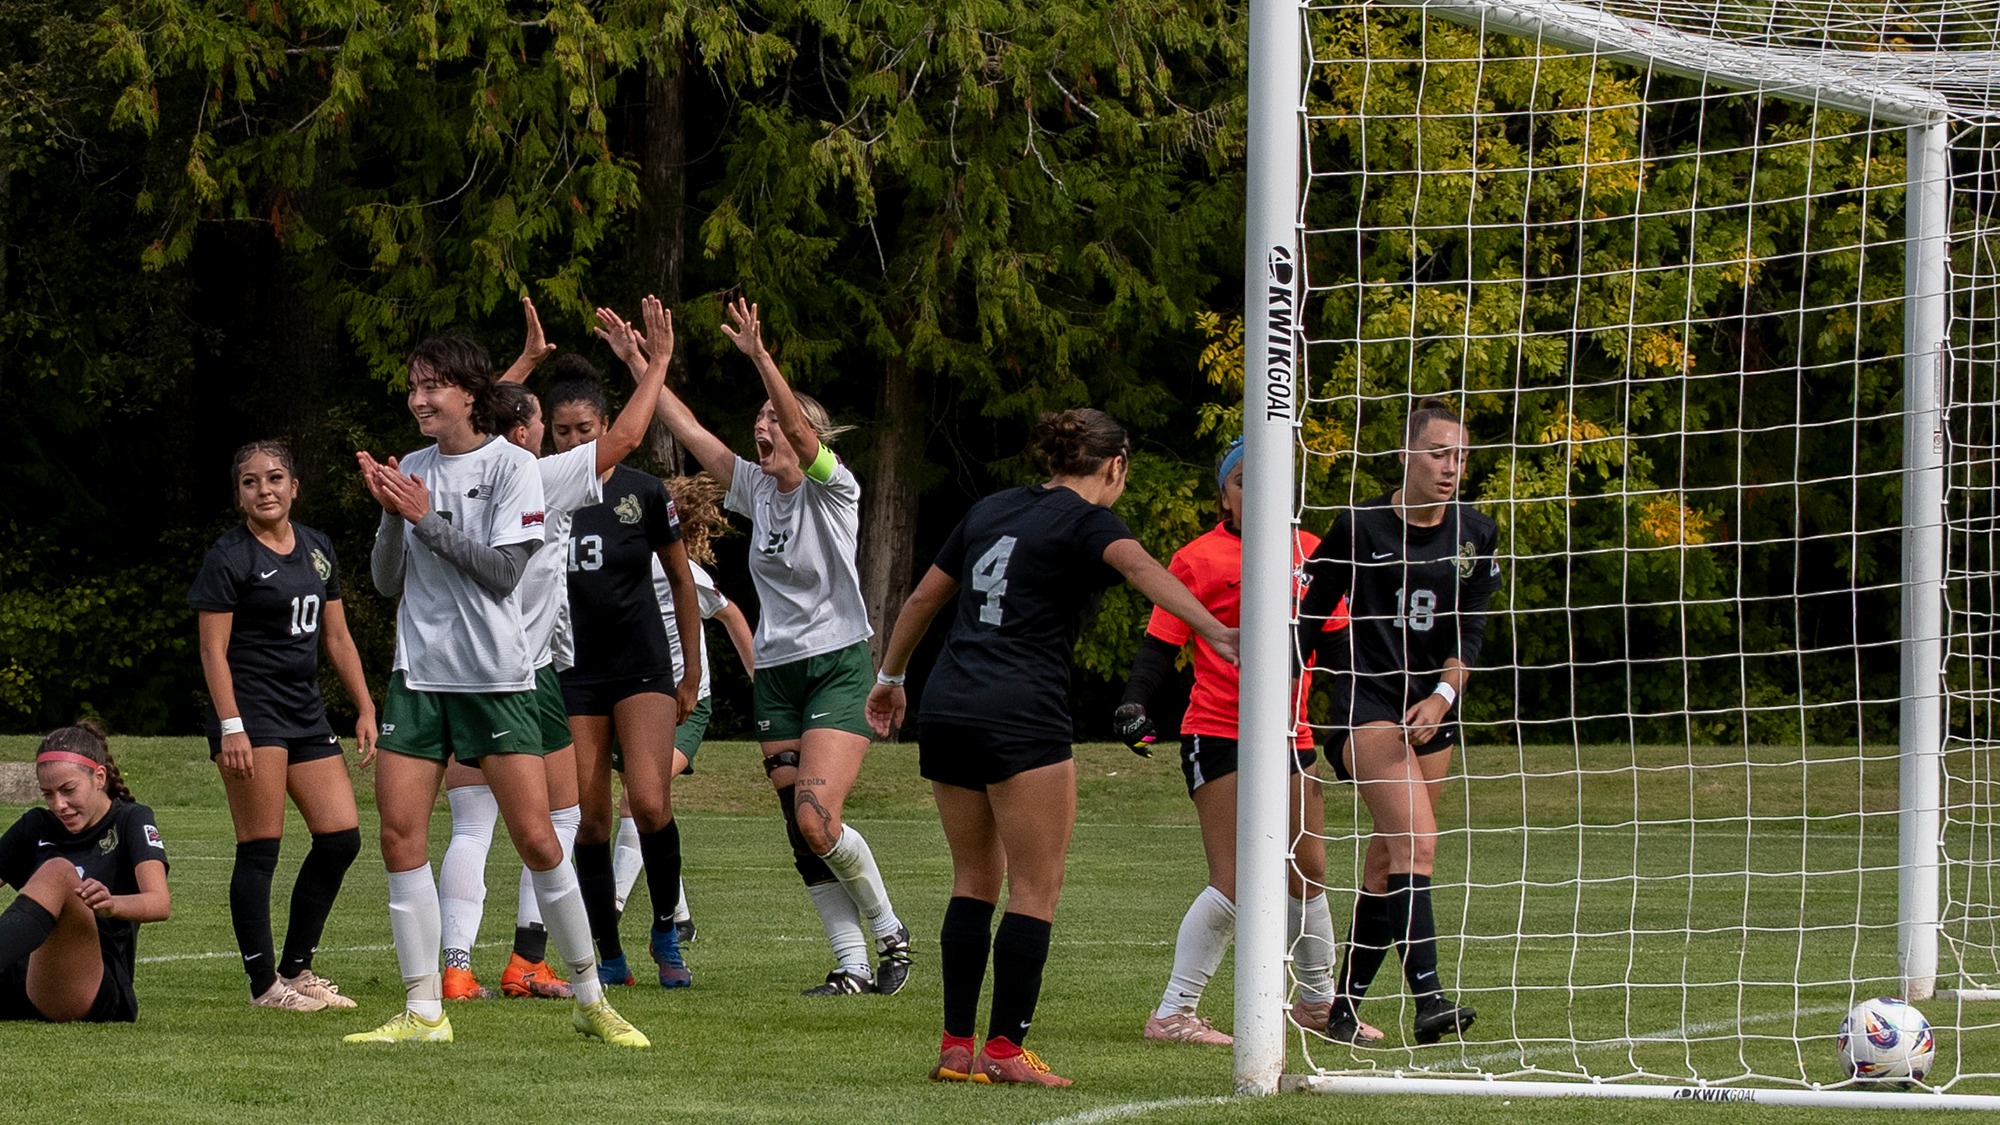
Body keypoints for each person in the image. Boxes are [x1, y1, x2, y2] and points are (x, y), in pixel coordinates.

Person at [868, 408, 1240, 1087]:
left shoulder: (991, 509)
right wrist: (1213, 629)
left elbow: (924, 596)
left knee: (973, 879)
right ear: (1116, 466)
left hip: (949, 700)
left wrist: (891, 678)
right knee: (1035, 885)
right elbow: (1141, 569)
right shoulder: (1087, 520)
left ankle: (957, 1046)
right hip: (1020, 707)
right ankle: (1006, 1051)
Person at [348, 331, 647, 1047]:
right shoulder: (414, 466)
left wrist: (425, 516)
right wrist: (392, 514)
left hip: (498, 677)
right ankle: (424, 1011)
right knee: (398, 837)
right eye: (413, 387)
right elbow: (388, 580)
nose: (418, 399)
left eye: (432, 386)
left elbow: (505, 572)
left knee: (540, 839)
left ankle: (589, 996)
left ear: (470, 393)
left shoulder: (517, 466)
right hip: (418, 675)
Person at [648, 297, 908, 996]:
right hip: (779, 673)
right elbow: (689, 428)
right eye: (758, 420)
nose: (765, 428)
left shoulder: (835, 488)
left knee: (818, 818)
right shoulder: (757, 490)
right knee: (802, 833)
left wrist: (762, 359)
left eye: (775, 421)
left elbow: (794, 417)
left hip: (838, 665)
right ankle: (851, 963)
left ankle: (890, 934)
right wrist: (648, 365)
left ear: (807, 437)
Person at [433, 298, 672, 1003]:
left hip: (450, 669)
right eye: (541, 422)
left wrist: (528, 360)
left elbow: (471, 420)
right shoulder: (539, 477)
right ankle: (528, 959)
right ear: (526, 433)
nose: (555, 436)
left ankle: (454, 963)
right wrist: (656, 363)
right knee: (562, 818)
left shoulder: (459, 472)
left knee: (472, 818)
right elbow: (626, 436)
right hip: (521, 671)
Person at [1114, 438, 1371, 1045]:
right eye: (1241, 481)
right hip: (1220, 732)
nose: (1255, 491)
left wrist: (1354, 720)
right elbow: (1159, 647)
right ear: (1223, 496)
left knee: (1307, 871)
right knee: (1234, 879)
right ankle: (1173, 1013)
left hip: (1292, 735)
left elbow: (1340, 654)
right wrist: (1133, 703)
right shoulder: (1198, 558)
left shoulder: (1312, 554)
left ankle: (1316, 1003)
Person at [1297, 399, 1501, 1046]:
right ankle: (1430, 995)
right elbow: (1308, 620)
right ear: (1407, 455)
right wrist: (1286, 705)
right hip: (1367, 707)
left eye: (1461, 455)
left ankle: (1343, 1009)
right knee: (1418, 843)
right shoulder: (1359, 525)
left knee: (1389, 861)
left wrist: (1443, 694)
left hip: (1431, 708)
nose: (1451, 466)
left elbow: (1472, 631)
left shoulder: (1475, 532)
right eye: (1439, 452)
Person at [190, 440, 374, 1014]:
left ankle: (297, 969)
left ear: (295, 486)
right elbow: (212, 653)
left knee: (341, 837)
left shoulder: (318, 548)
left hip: (304, 712)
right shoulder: (229, 556)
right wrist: (232, 727)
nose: (263, 489)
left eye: (274, 478)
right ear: (238, 494)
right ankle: (265, 988)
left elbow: (337, 637)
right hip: (252, 715)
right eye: (250, 481)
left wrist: (365, 707)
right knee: (260, 848)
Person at [545, 356, 705, 990]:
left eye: (585, 428)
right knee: (589, 816)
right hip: (575, 672)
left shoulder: (642, 491)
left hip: (642, 667)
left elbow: (682, 581)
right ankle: (607, 951)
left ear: (606, 424)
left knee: (649, 800)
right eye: (563, 431)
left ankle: (666, 929)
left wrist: (691, 672)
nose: (576, 442)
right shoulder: (542, 488)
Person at [611, 473, 759, 943]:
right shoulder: (616, 564)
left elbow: (731, 614)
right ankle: (679, 917)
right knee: (654, 808)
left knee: (639, 796)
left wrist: (763, 682)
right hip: (630, 700)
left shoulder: (685, 573)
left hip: (684, 704)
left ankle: (607, 909)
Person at [0, 723, 170, 1023]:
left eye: (68, 790)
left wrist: (112, 905)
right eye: (48, 794)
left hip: (95, 989)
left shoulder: (131, 819)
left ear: (99, 777)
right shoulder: (36, 824)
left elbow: (159, 903)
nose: (58, 805)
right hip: (27, 981)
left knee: (59, 871)